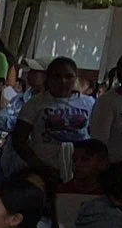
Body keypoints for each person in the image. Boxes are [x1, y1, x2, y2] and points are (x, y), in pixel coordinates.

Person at [10, 56, 93, 185]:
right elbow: (19, 140)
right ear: (48, 79)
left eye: (69, 76)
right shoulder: (35, 103)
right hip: (44, 171)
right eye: (56, 76)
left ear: (76, 78)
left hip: (80, 173)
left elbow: (96, 137)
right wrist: (40, 167)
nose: (63, 81)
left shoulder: (89, 103)